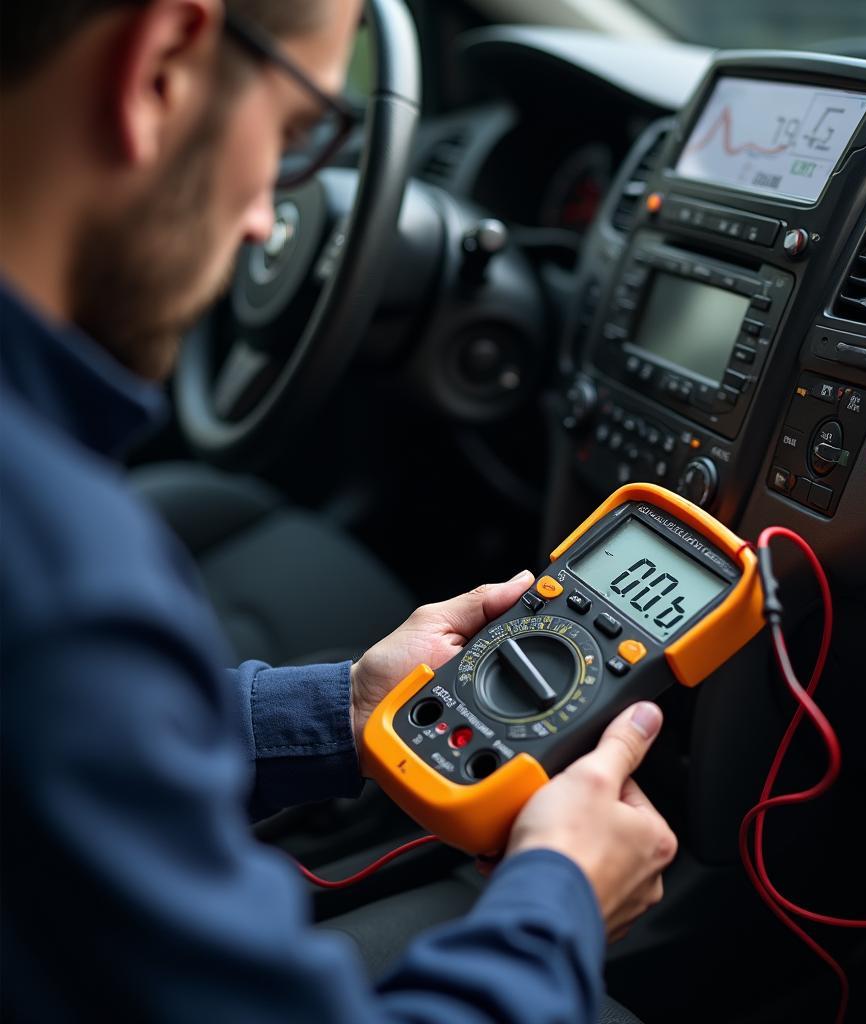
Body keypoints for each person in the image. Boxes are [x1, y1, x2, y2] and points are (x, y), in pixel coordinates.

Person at [0, 2, 678, 1021]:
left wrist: (341, 714)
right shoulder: (62, 577)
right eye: (296, 135)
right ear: (160, 67)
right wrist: (563, 899)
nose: (270, 221)